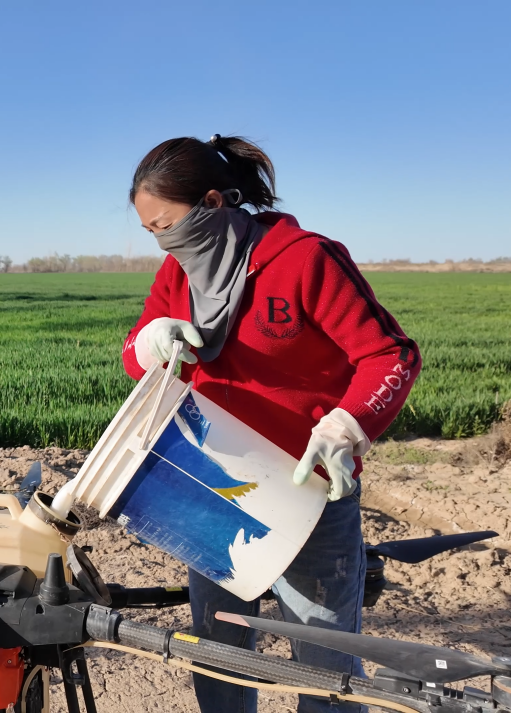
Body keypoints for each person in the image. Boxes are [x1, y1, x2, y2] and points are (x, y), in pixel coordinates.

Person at [121, 135, 420, 713]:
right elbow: (136, 349)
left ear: (212, 203)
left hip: (304, 490)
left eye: (166, 224)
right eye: (149, 231)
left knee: (325, 664)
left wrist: (347, 427)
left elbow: (391, 355)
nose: (161, 240)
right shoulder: (178, 275)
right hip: (209, 489)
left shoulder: (306, 260)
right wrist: (150, 343)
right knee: (217, 651)